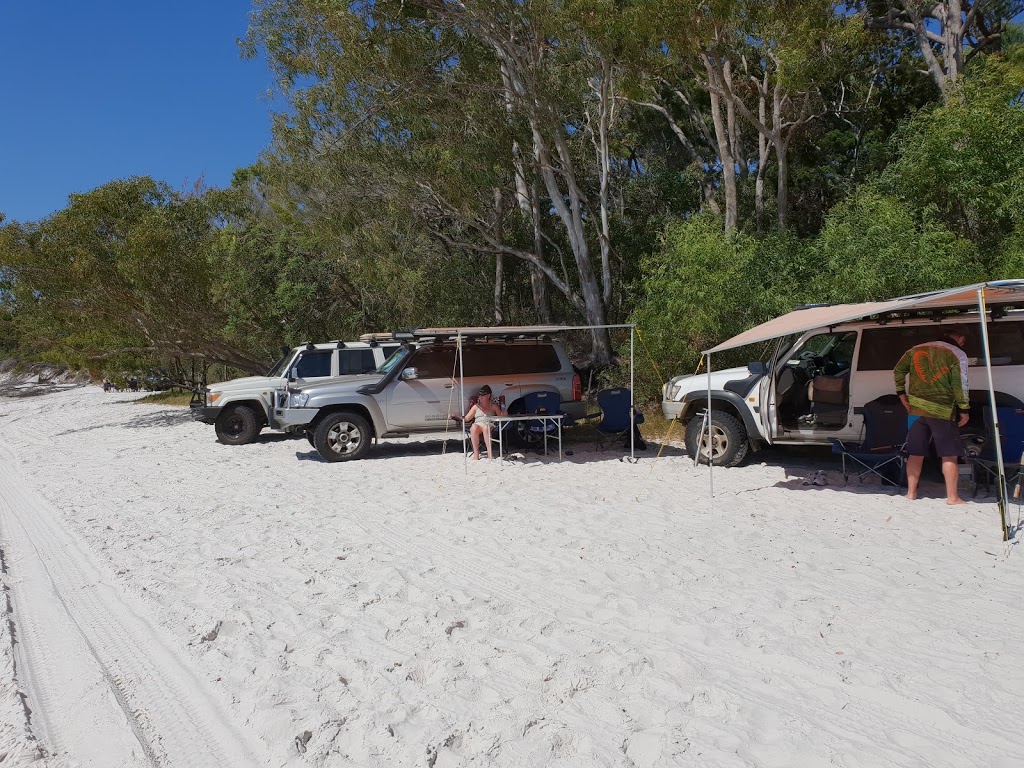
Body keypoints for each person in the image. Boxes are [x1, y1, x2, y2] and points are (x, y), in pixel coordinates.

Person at [893, 331, 970, 505]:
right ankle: (952, 498)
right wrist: (964, 409)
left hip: (916, 410)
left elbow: (898, 370)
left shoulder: (914, 350)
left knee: (915, 453)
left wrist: (901, 394)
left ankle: (911, 493)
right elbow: (960, 385)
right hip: (942, 411)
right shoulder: (957, 354)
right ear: (958, 339)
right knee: (949, 455)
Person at [450, 384, 507, 461]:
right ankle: (476, 454)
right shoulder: (476, 407)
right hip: (478, 424)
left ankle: (490, 454)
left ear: (488, 396)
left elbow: (501, 416)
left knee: (486, 427)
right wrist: (455, 416)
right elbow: (466, 418)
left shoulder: (493, 406)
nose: (480, 397)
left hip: (489, 424)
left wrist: (504, 412)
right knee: (473, 427)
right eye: (480, 395)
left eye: (482, 396)